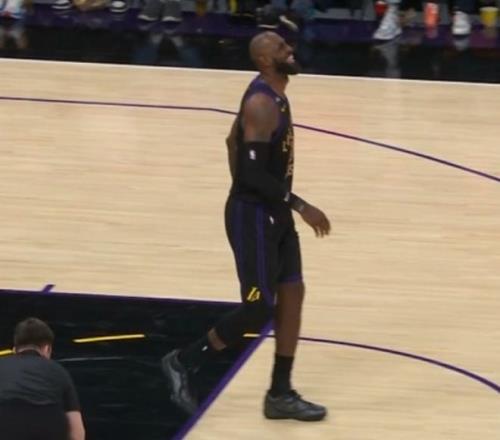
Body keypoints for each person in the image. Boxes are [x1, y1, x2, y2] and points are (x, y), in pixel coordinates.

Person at [162, 31, 331, 421]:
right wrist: (300, 205)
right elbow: (252, 174)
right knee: (258, 309)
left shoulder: (277, 97)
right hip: (252, 216)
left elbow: (230, 141)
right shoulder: (260, 103)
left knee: (293, 295)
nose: (291, 50)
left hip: (274, 211)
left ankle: (280, 393)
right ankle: (183, 362)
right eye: (282, 49)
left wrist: (278, 203)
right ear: (266, 61)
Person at [0, 318, 85, 440]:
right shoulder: (59, 371)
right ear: (47, 349)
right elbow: (76, 432)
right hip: (48, 426)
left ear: (14, 350)